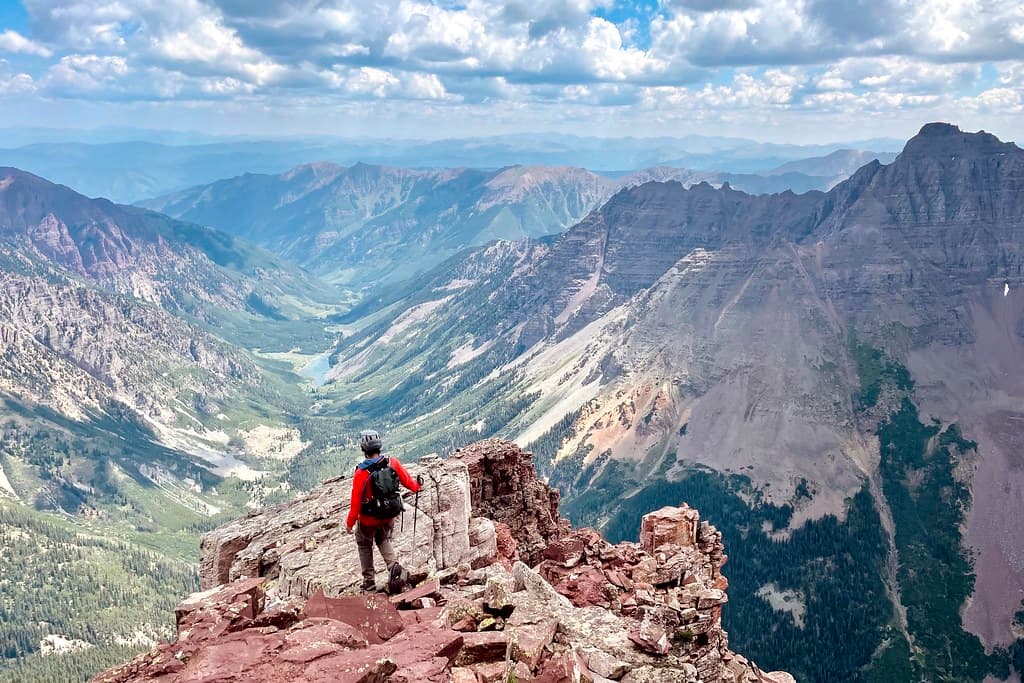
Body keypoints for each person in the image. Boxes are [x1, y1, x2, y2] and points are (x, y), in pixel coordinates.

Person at [345, 429, 421, 593]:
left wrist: (350, 523)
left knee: (364, 545)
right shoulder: (392, 463)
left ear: (363, 449)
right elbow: (409, 483)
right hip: (389, 514)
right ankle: (394, 567)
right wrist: (417, 486)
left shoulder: (361, 473)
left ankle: (369, 582)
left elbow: (356, 502)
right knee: (382, 539)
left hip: (368, 519)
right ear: (379, 446)